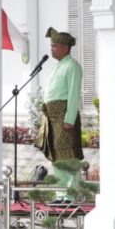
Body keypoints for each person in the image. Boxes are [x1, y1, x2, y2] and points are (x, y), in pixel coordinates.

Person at [37, 28, 84, 162]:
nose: (52, 49)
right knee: (55, 152)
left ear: (65, 48)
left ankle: (69, 183)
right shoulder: (56, 67)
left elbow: (74, 93)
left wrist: (70, 119)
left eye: (54, 46)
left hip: (63, 117)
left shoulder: (72, 66)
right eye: (51, 46)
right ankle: (60, 182)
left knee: (66, 152)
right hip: (51, 117)